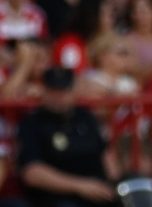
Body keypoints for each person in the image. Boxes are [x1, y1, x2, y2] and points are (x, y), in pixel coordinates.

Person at [18, 67, 120, 207]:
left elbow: (105, 153)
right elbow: (32, 173)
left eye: (63, 91)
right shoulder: (33, 123)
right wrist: (80, 187)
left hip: (99, 191)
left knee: (137, 186)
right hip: (59, 197)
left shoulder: (86, 117)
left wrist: (115, 184)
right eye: (53, 91)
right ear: (44, 92)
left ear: (73, 91)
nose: (58, 97)